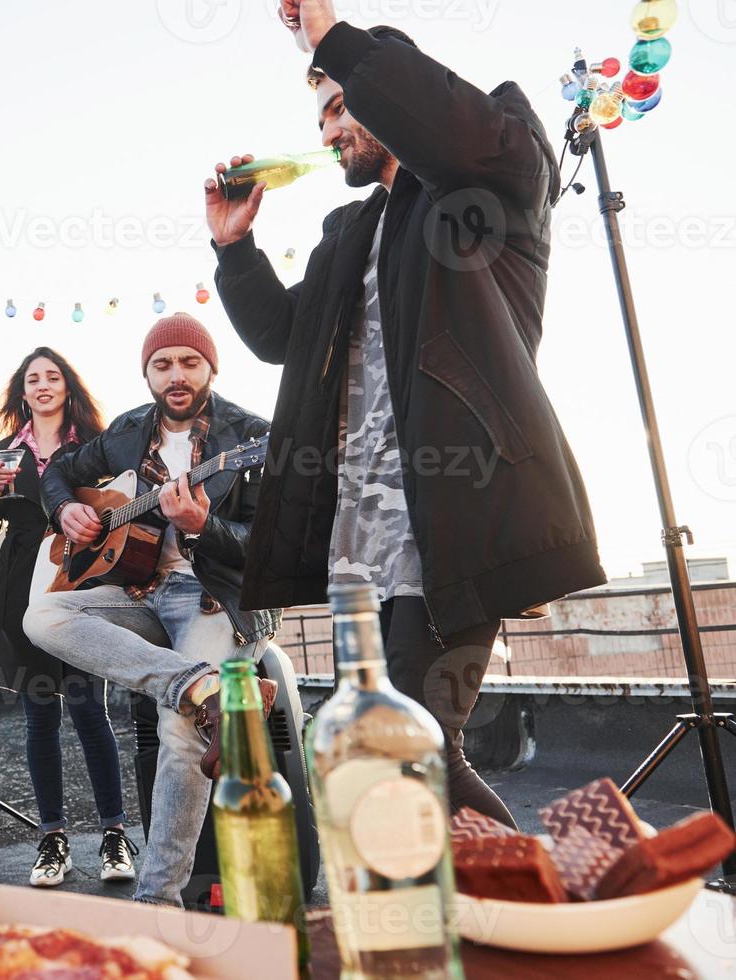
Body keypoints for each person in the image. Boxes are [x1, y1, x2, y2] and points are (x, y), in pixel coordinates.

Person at [207, 5, 606, 827]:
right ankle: (460, 924)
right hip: (363, 535)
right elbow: (286, 338)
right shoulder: (347, 231)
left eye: (338, 105)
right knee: (381, 753)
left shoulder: (487, 173)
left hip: (458, 515)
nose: (327, 132)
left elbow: (444, 122)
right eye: (318, 116)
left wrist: (331, 38)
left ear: (388, 91)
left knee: (412, 746)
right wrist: (234, 251)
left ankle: (538, 909)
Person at [23, 313, 290, 908]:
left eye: (189, 363)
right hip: (145, 592)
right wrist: (66, 509)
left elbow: (274, 550)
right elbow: (61, 471)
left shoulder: (252, 436)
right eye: (162, 364)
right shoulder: (127, 431)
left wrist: (203, 527)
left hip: (220, 597)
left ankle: (157, 903)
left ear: (210, 368)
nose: (176, 375)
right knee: (42, 617)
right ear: (147, 373)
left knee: (177, 729)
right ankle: (199, 685)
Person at [0, 347, 137, 889]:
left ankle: (115, 836)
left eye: (52, 376)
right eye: (32, 378)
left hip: (81, 579)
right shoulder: (0, 452)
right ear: (22, 391)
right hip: (21, 583)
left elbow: (118, 503)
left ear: (68, 385)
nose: (43, 385)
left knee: (92, 711)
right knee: (39, 717)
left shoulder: (96, 445)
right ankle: (52, 840)